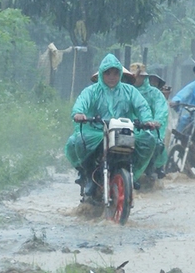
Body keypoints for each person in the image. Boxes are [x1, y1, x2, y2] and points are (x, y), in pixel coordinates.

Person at [64, 53, 158, 196]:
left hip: (124, 131)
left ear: (120, 74)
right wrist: (79, 113)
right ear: (102, 74)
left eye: (115, 73)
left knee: (149, 139)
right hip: (98, 132)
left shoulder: (130, 91)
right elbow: (81, 103)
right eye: (107, 73)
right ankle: (89, 175)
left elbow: (142, 107)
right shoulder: (92, 91)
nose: (112, 76)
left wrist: (147, 120)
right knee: (78, 141)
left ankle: (133, 175)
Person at [130, 62, 169, 179]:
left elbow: (161, 109)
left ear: (145, 77)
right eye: (134, 76)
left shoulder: (154, 93)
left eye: (139, 76)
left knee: (156, 143)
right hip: (127, 127)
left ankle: (150, 168)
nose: (136, 78)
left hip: (148, 129)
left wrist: (156, 121)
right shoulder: (126, 91)